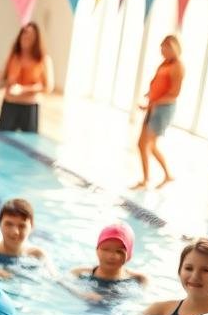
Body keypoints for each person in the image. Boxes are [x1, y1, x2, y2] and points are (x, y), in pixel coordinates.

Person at [142, 238, 208, 315]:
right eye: (189, 268)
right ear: (180, 271)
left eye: (205, 270)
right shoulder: (159, 310)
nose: (195, 276)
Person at [132, 36, 185, 190]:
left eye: (164, 48)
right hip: (153, 106)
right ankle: (150, 178)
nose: (162, 52)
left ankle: (160, 176)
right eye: (161, 48)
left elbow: (174, 94)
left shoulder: (178, 67)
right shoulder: (165, 63)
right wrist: (150, 96)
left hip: (163, 109)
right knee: (143, 144)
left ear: (173, 48)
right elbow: (159, 83)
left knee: (148, 144)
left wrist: (153, 104)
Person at [0, 22, 53, 134]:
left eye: (31, 35)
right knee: (4, 139)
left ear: (36, 39)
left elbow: (48, 87)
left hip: (29, 108)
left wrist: (24, 89)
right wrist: (8, 82)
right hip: (10, 105)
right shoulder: (13, 57)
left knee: (28, 143)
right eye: (24, 34)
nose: (26, 38)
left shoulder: (43, 60)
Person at [0, 198, 48, 279]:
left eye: (22, 226)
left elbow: (54, 275)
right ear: (0, 224)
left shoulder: (38, 254)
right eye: (9, 224)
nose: (15, 232)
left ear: (32, 227)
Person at [69, 222, 147, 292]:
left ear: (129, 256)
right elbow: (64, 282)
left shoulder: (139, 279)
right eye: (105, 249)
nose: (111, 256)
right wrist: (83, 295)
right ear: (97, 250)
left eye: (119, 251)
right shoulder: (79, 273)